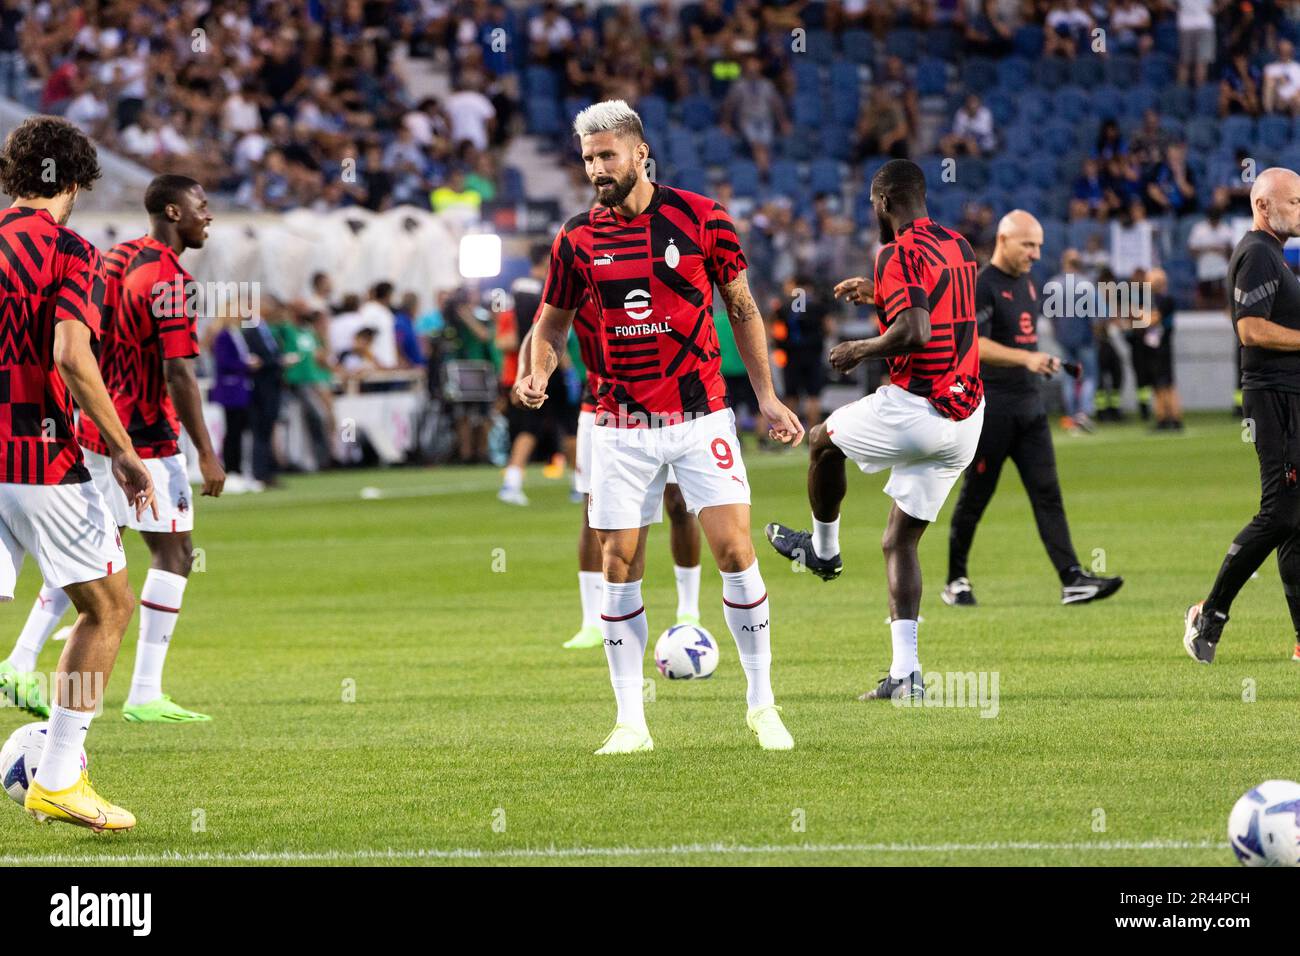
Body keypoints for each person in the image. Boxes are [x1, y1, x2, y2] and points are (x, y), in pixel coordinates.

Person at [515, 100, 803, 754]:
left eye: (607, 155)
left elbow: (744, 308)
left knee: (735, 548)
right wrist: (536, 371)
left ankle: (762, 706)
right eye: (588, 158)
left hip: (701, 413)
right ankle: (630, 722)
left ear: (641, 153)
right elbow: (550, 325)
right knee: (620, 562)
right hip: (618, 424)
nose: (597, 170)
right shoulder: (575, 239)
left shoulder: (703, 218)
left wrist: (768, 397)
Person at [7, 174, 226, 723]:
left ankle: (21, 658)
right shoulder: (171, 279)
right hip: (145, 435)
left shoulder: (114, 258)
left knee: (90, 552)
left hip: (91, 430)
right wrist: (205, 450)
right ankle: (145, 691)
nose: (209, 216)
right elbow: (178, 371)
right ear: (174, 212)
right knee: (172, 554)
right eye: (202, 206)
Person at [765, 159, 985, 702]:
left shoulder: (895, 251)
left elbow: (915, 330)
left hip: (918, 409)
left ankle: (822, 551)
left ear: (883, 202)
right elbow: (938, 309)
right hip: (967, 416)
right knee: (899, 540)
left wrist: (860, 346)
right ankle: (905, 675)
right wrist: (883, 295)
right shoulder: (959, 245)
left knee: (820, 441)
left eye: (873, 205)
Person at [0, 116, 156, 831]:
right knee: (109, 607)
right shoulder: (71, 252)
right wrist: (123, 450)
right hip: (35, 455)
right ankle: (60, 776)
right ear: (78, 183)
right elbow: (70, 354)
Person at [943, 211, 1123, 609]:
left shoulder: (1026, 282)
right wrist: (1025, 360)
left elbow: (1018, 343)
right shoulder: (982, 285)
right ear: (1003, 240)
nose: (1036, 253)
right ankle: (955, 579)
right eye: (1028, 244)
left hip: (1029, 405)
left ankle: (1071, 578)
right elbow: (973, 345)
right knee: (976, 495)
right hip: (991, 408)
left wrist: (1037, 360)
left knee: (1048, 493)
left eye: (1039, 245)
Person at [518, 294, 704, 649]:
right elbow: (542, 327)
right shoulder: (580, 270)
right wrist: (524, 375)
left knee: (679, 502)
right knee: (594, 510)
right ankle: (591, 621)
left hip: (670, 403)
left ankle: (688, 611)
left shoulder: (643, 270)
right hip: (601, 407)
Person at [1184, 168, 1300, 664]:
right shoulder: (1256, 253)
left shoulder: (1276, 255)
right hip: (1272, 399)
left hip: (1288, 397)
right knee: (1279, 513)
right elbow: (1250, 330)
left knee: (1296, 521)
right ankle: (1208, 614)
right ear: (1263, 206)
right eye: (1294, 202)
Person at [209, 312, 256, 482]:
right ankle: (231, 469)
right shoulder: (223, 336)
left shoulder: (237, 335)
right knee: (233, 430)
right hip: (231, 390)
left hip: (240, 389)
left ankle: (238, 468)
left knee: (239, 430)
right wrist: (246, 364)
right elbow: (224, 362)